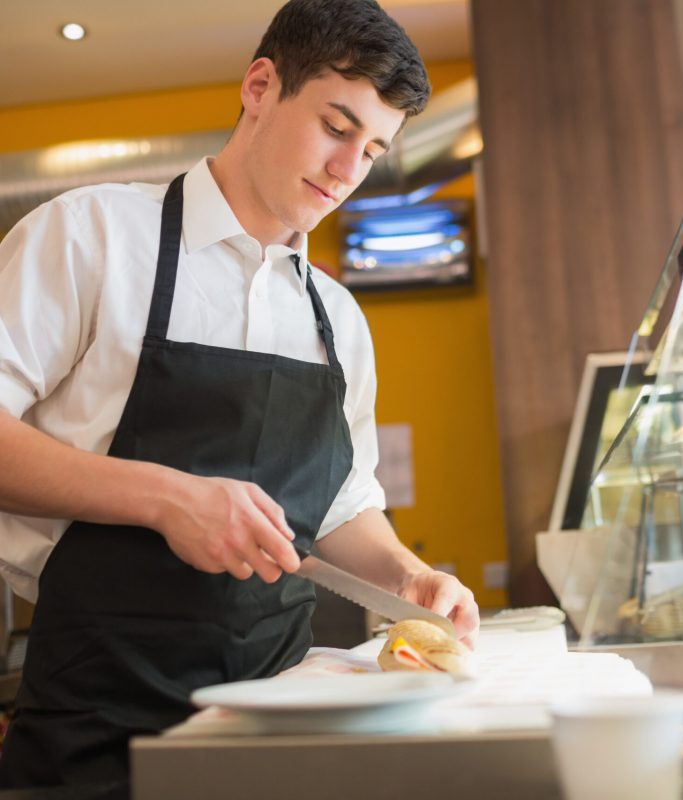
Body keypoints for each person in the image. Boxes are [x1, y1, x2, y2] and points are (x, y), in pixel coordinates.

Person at [0, 0, 479, 790]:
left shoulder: (339, 318)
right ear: (261, 86)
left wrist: (404, 575)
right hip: (95, 726)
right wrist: (165, 498)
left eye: (374, 150)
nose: (346, 171)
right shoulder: (91, 236)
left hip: (281, 722)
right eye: (336, 126)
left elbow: (341, 503)